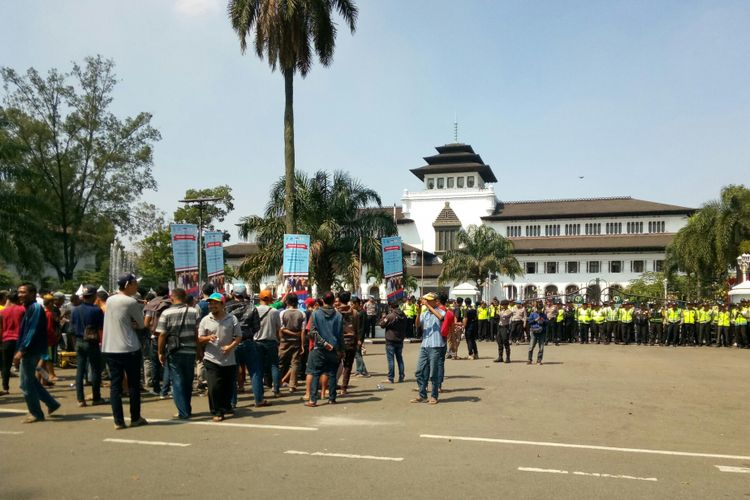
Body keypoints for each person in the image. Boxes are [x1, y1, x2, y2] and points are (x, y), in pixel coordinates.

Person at [102, 273, 147, 430]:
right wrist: (134, 324)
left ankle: (118, 421)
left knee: (115, 385)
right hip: (129, 347)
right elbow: (141, 324)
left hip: (110, 347)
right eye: (135, 283)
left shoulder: (110, 299)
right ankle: (135, 417)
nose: (137, 286)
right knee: (134, 384)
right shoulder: (130, 301)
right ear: (128, 285)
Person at [13, 282, 61, 423]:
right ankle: (52, 403)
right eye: (19, 292)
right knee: (32, 381)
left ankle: (36, 413)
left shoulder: (35, 308)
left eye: (24, 292)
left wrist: (22, 350)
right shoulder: (29, 308)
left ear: (33, 294)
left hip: (31, 350)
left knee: (25, 384)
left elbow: (32, 331)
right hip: (31, 349)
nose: (20, 295)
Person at [156, 288, 200, 419]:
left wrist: (160, 352)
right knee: (188, 381)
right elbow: (197, 333)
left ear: (172, 298)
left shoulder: (166, 313)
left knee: (177, 382)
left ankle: (184, 411)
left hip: (174, 351)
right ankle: (187, 408)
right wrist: (199, 350)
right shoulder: (194, 311)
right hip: (190, 350)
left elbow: (162, 334)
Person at [198, 293, 241, 422]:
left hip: (229, 358)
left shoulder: (232, 319)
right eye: (210, 303)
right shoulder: (205, 320)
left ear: (223, 304)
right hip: (211, 358)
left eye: (215, 303)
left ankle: (226, 406)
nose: (212, 306)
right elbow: (200, 338)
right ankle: (217, 411)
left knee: (228, 386)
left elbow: (238, 336)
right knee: (214, 387)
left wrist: (230, 346)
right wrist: (207, 338)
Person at [71, 285, 106, 407]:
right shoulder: (96, 310)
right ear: (94, 296)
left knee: (80, 370)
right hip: (92, 342)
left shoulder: (75, 309)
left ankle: (80, 399)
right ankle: (96, 397)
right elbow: (102, 327)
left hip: (79, 341)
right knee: (95, 369)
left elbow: (72, 329)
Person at [306, 292, 343, 407]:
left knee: (316, 373)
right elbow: (340, 334)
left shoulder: (315, 314)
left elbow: (312, 333)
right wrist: (341, 349)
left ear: (323, 300)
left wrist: (323, 343)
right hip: (334, 348)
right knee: (332, 373)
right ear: (333, 301)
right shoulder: (338, 315)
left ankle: (313, 400)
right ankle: (332, 398)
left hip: (319, 348)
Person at [412, 293, 444, 404]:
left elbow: (441, 318)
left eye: (429, 301)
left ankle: (434, 396)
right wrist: (418, 311)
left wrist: (428, 306)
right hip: (425, 345)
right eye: (426, 301)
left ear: (435, 301)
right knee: (419, 371)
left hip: (436, 345)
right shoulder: (424, 314)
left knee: (433, 373)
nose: (427, 302)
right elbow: (417, 325)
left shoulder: (440, 311)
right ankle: (422, 395)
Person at [143, 286, 172, 398]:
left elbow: (146, 323)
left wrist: (153, 328)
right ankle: (166, 388)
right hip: (170, 336)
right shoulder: (171, 303)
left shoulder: (151, 304)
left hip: (155, 336)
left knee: (155, 362)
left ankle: (156, 388)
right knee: (167, 363)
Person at [254, 289, 282, 398]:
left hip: (257, 342)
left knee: (259, 367)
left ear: (259, 298)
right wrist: (278, 340)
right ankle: (276, 390)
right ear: (270, 299)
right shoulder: (274, 311)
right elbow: (278, 328)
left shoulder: (254, 310)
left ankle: (259, 392)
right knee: (274, 365)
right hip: (271, 341)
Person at [278, 293, 305, 393]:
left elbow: (281, 329)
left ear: (287, 302)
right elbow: (302, 331)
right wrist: (302, 344)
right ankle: (292, 385)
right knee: (295, 363)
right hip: (296, 342)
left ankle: (277, 384)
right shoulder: (302, 313)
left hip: (284, 341)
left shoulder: (282, 313)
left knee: (280, 362)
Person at [0, 291, 25, 396]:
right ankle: (26, 386)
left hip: (6, 340)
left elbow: (0, 328)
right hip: (21, 340)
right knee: (25, 364)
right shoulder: (23, 310)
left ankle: (5, 388)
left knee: (6, 365)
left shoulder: (2, 312)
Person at [380, 300, 406, 383]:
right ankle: (401, 376)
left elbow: (382, 325)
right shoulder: (403, 315)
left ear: (391, 306)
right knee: (399, 359)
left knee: (391, 360)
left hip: (391, 340)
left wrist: (383, 317)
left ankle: (391, 378)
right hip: (400, 339)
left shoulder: (390, 316)